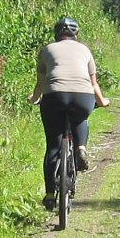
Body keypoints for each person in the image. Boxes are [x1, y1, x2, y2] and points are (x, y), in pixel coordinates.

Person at [29, 16, 110, 209]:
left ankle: (49, 194)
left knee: (53, 147)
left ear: (56, 34)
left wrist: (34, 98)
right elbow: (93, 83)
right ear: (76, 34)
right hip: (82, 96)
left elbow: (40, 84)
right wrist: (102, 101)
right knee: (80, 116)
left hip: (54, 97)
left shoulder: (47, 50)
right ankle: (80, 149)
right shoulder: (84, 50)